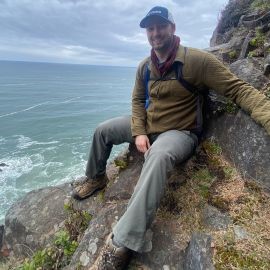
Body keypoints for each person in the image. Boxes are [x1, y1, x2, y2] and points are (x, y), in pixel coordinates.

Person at [71, 6, 270, 269]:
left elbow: (237, 89)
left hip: (179, 132)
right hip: (150, 124)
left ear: (172, 28)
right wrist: (139, 131)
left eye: (161, 26)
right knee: (102, 130)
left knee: (159, 155)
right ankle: (96, 177)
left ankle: (122, 242)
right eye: (150, 28)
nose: (156, 33)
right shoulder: (145, 66)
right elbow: (136, 100)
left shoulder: (197, 62)